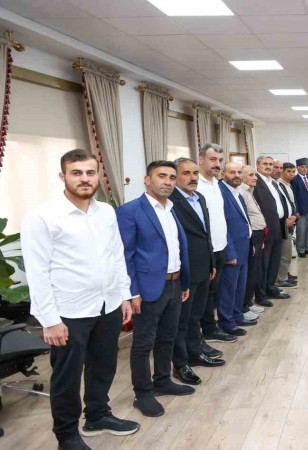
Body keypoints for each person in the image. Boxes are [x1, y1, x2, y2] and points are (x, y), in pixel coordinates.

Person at [22, 149, 140, 450]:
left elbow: (116, 256)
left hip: (108, 304)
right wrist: (49, 320)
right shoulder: (42, 217)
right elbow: (37, 272)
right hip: (68, 312)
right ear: (63, 176)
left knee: (104, 365)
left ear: (98, 175)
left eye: (90, 172)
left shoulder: (107, 212)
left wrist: (124, 295)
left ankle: (98, 416)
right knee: (68, 376)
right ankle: (66, 436)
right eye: (76, 173)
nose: (84, 179)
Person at [117, 160, 193, 418]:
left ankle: (162, 380)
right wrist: (132, 292)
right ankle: (143, 393)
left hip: (174, 283)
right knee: (143, 343)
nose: (168, 182)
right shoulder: (130, 211)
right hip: (147, 289)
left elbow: (177, 247)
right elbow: (125, 255)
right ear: (147, 180)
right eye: (162, 176)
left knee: (168, 337)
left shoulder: (171, 209)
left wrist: (183, 281)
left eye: (172, 177)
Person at [169, 158, 223, 389]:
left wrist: (211, 262)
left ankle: (195, 351)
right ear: (175, 177)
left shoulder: (199, 198)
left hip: (203, 266)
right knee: (181, 320)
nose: (192, 178)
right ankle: (181, 364)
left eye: (194, 173)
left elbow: (205, 234)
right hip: (184, 270)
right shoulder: (170, 201)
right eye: (186, 173)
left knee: (195, 315)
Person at [195, 143, 236, 344]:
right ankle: (206, 331)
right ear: (201, 159)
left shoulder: (216, 185)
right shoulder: (196, 185)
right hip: (205, 250)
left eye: (220, 160)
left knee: (213, 291)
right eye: (212, 159)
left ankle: (211, 327)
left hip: (220, 247)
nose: (217, 164)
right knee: (203, 295)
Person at [216, 162, 254, 338]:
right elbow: (221, 225)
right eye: (232, 172)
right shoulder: (220, 193)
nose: (237, 175)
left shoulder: (237, 192)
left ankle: (237, 315)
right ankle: (226, 321)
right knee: (228, 288)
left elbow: (244, 220)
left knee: (240, 286)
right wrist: (230, 251)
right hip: (232, 249)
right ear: (223, 174)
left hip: (243, 246)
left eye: (239, 172)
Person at [254, 156, 290, 303]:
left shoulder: (273, 182)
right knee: (263, 263)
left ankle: (270, 288)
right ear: (258, 165)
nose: (268, 166)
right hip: (265, 228)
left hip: (278, 226)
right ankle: (261, 294)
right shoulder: (256, 181)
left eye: (270, 164)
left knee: (274, 261)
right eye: (265, 164)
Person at [238, 165, 269, 317]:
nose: (255, 178)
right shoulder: (241, 192)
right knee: (250, 272)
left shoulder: (249, 191)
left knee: (255, 271)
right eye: (251, 175)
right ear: (242, 176)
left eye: (255, 175)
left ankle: (249, 302)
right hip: (252, 235)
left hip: (259, 234)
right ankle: (243, 306)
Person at [274, 162, 298, 288]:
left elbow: (290, 203)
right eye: (288, 171)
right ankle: (281, 279)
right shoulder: (279, 185)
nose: (291, 174)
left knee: (287, 253)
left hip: (290, 221)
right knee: (285, 254)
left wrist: (294, 215)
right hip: (283, 223)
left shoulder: (288, 185)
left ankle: (284, 275)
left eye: (293, 171)